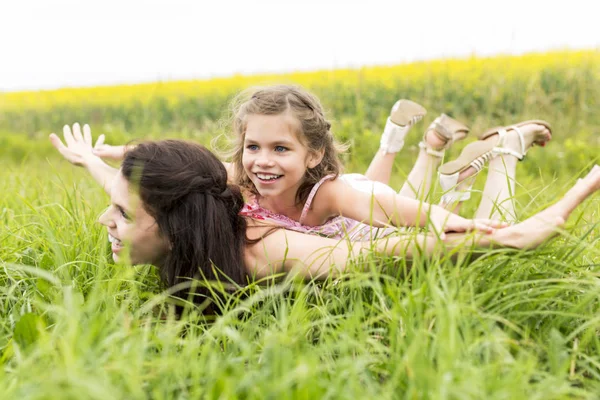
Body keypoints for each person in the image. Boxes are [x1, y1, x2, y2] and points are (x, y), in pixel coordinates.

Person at [49, 130, 600, 309]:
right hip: (338, 203)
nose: (106, 220)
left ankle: (505, 162)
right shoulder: (186, 213)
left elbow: (365, 255)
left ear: (176, 223)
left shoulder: (260, 251)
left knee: (483, 234)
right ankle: (463, 165)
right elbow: (141, 197)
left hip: (353, 220)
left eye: (121, 214)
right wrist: (94, 162)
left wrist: (509, 242)